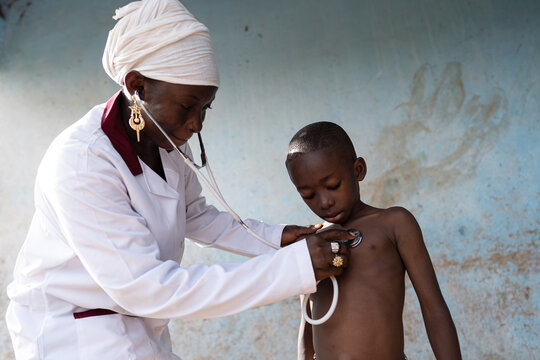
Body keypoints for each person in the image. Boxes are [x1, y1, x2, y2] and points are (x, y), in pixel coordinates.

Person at [5, 1, 354, 359]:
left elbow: (195, 215)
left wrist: (277, 239)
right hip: (74, 329)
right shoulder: (81, 163)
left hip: (133, 320)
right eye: (187, 106)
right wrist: (293, 266)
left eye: (205, 107)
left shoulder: (163, 142)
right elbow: (149, 288)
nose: (197, 124)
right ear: (137, 87)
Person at [285, 122, 462, 360]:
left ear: (358, 170)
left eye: (333, 186)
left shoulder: (394, 223)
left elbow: (434, 310)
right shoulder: (312, 243)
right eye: (308, 195)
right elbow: (308, 322)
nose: (324, 201)